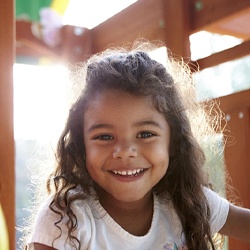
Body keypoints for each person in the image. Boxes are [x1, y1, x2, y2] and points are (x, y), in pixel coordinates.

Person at [25, 43, 250, 250]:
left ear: (172, 143)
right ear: (82, 146)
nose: (124, 151)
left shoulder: (186, 202)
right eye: (104, 137)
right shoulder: (65, 218)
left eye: (145, 134)